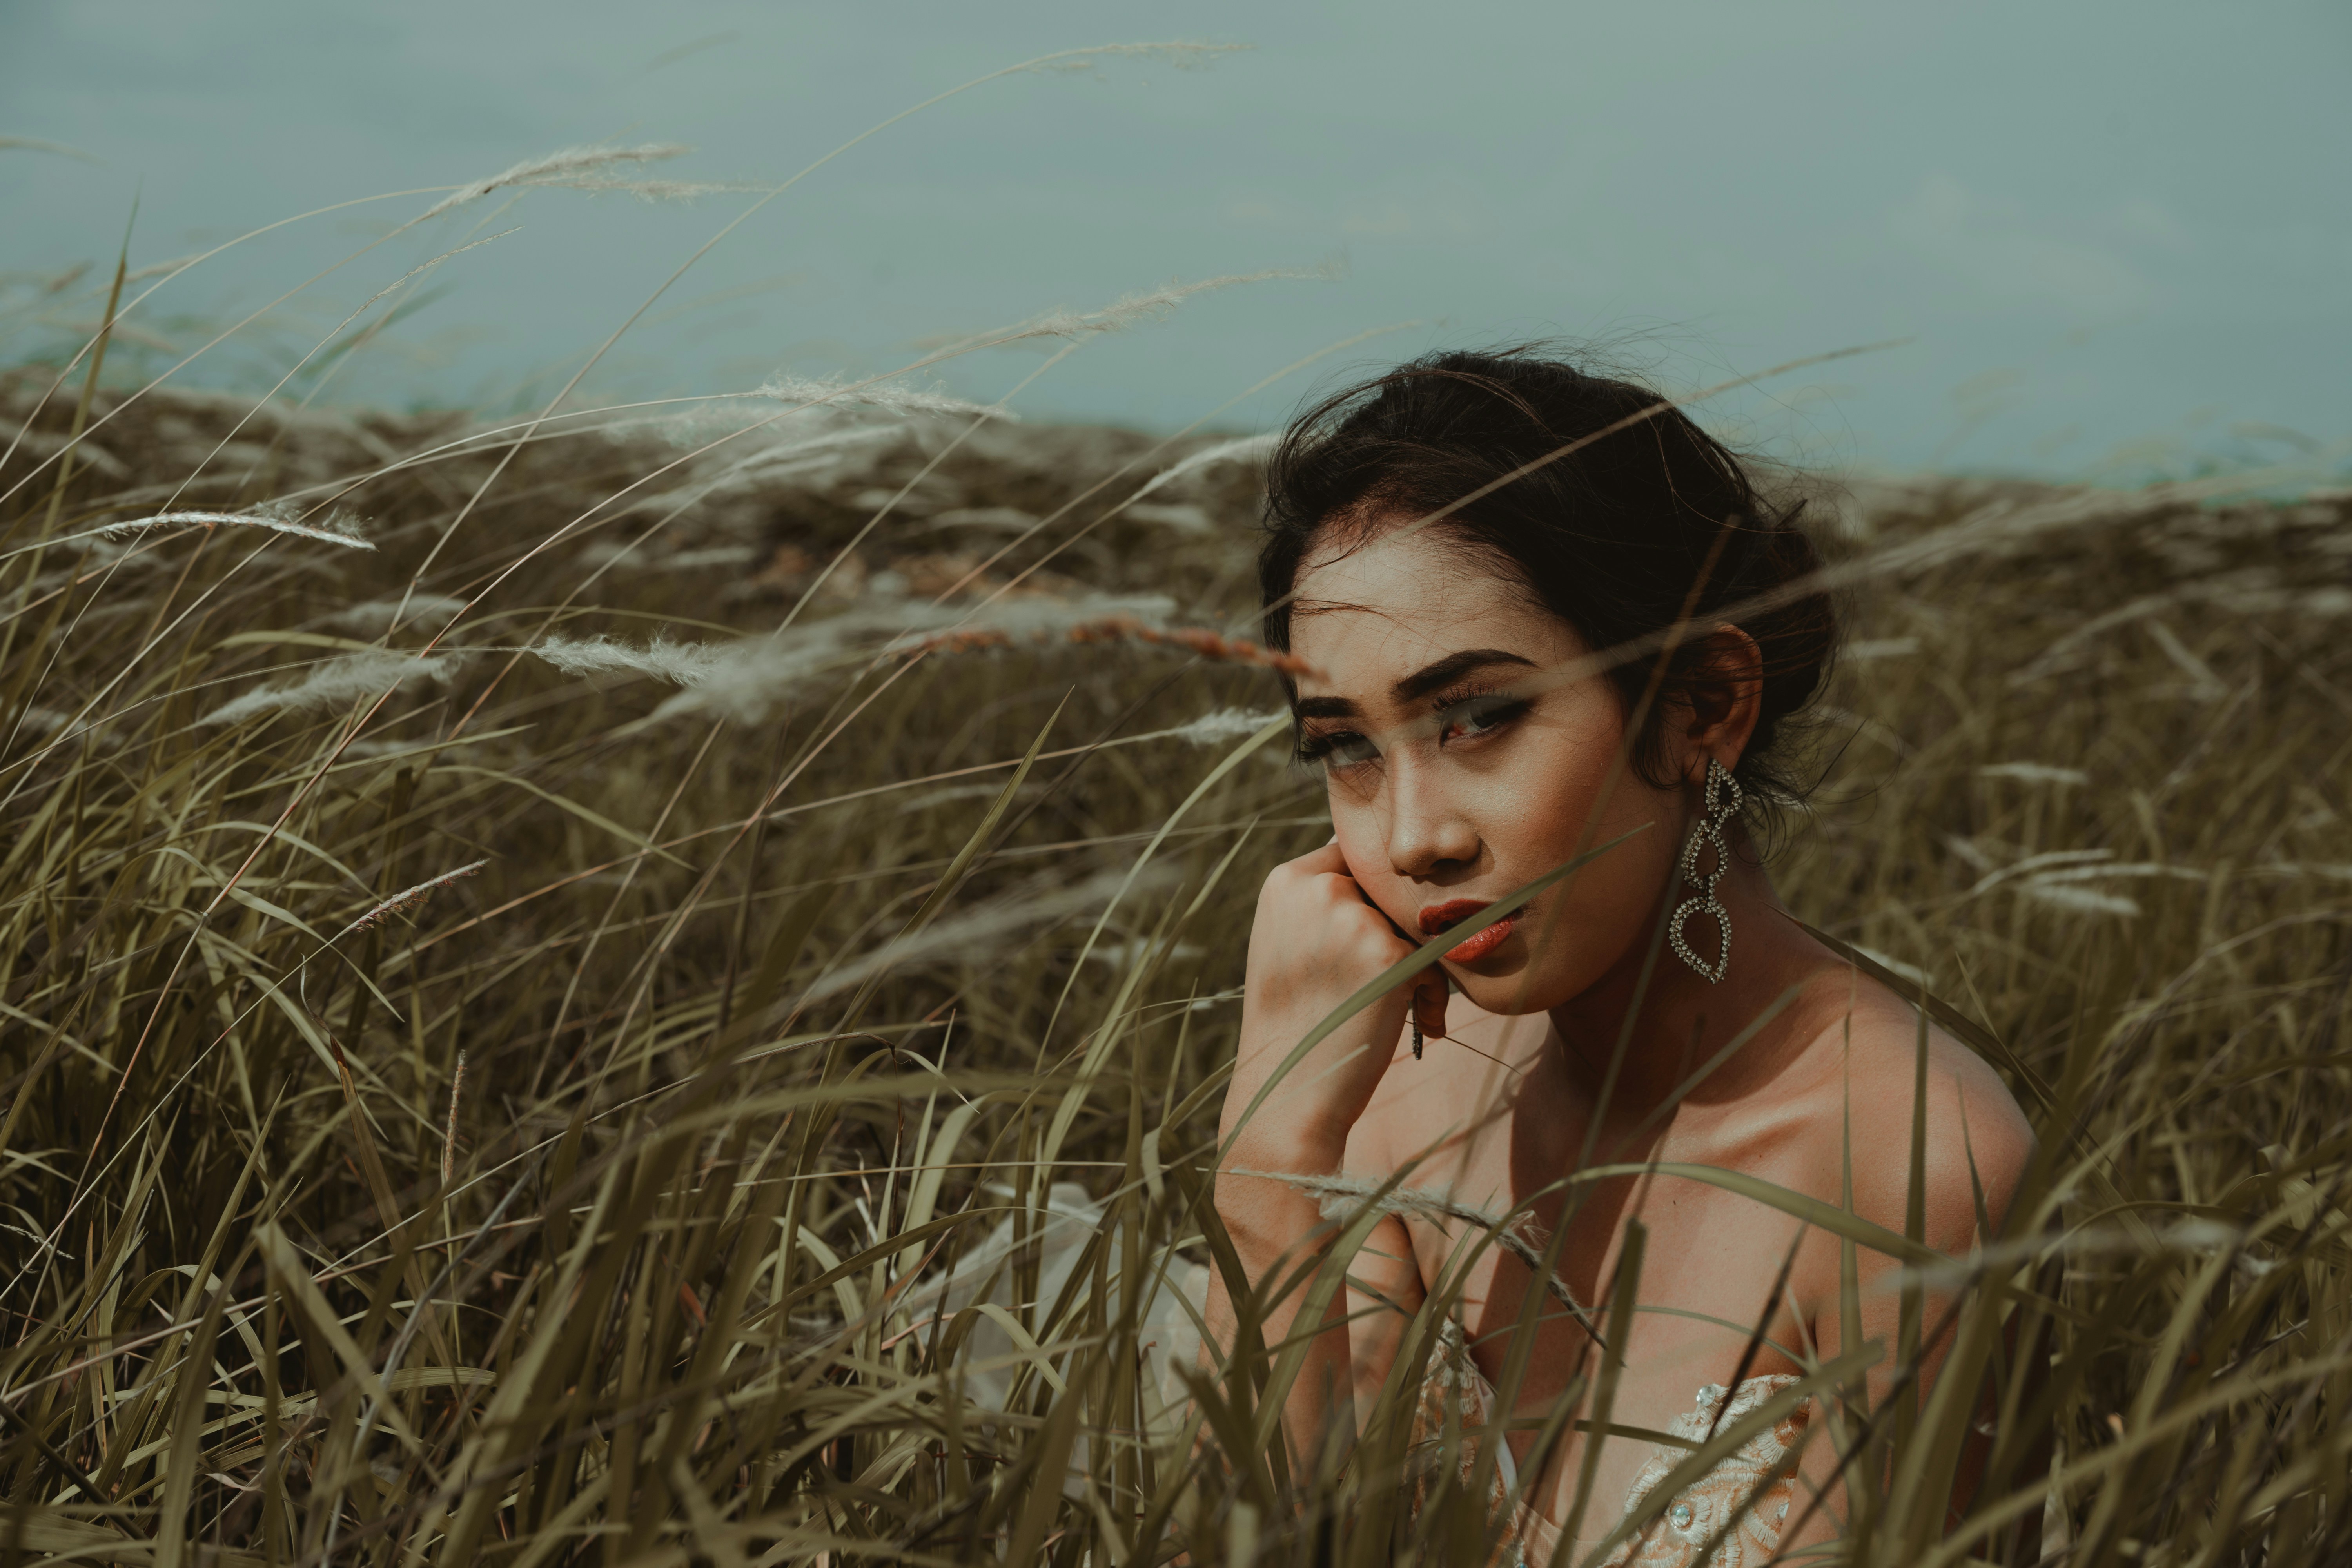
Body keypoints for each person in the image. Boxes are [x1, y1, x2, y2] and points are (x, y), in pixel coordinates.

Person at [1205, 347, 2036, 1564]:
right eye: (1346, 746)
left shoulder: (1911, 1173)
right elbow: (1280, 1542)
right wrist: (1267, 1157)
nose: (1411, 837)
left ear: (1705, 706)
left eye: (1482, 716)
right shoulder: (1400, 1098)